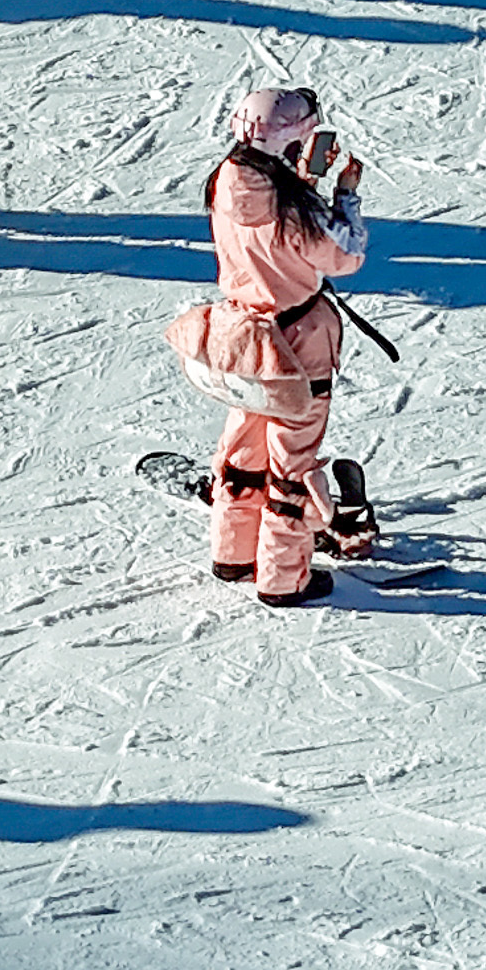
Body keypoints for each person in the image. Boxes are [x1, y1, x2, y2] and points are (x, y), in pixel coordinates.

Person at [199, 87, 372, 609]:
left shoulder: (227, 180)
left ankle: (232, 553)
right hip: (299, 339)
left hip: (243, 334)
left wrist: (303, 183)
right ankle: (282, 577)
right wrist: (343, 196)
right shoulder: (295, 208)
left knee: (245, 444)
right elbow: (345, 254)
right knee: (291, 461)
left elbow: (266, 226)